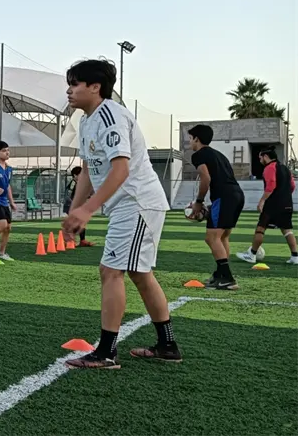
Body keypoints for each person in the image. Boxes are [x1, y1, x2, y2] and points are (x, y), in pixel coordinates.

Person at [62, 58, 180, 369]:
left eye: (75, 84)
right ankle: (167, 346)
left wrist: (88, 209)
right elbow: (88, 169)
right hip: (129, 205)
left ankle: (106, 352)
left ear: (95, 87)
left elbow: (121, 168)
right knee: (140, 274)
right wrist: (74, 210)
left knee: (110, 271)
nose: (69, 90)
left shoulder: (111, 115)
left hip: (137, 202)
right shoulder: (86, 121)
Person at [188, 124, 244, 290]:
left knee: (211, 238)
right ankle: (220, 274)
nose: (189, 142)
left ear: (197, 139)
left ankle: (227, 277)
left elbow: (206, 178)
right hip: (237, 195)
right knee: (222, 237)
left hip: (224, 197)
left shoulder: (198, 155)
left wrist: (199, 202)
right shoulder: (219, 155)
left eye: (190, 138)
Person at [236, 148, 298, 265]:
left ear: (265, 156)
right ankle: (295, 256)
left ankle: (252, 254)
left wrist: (262, 201)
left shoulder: (269, 168)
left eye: (260, 158)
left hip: (272, 204)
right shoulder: (285, 168)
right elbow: (292, 186)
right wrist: (284, 197)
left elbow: (271, 186)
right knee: (287, 230)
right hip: (287, 203)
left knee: (260, 228)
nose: (260, 160)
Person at [64, 166, 94, 247]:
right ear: (75, 175)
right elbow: (68, 195)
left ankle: (82, 240)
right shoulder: (73, 183)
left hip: (78, 206)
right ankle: (69, 240)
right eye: (80, 174)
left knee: (81, 223)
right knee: (75, 223)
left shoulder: (80, 184)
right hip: (70, 206)